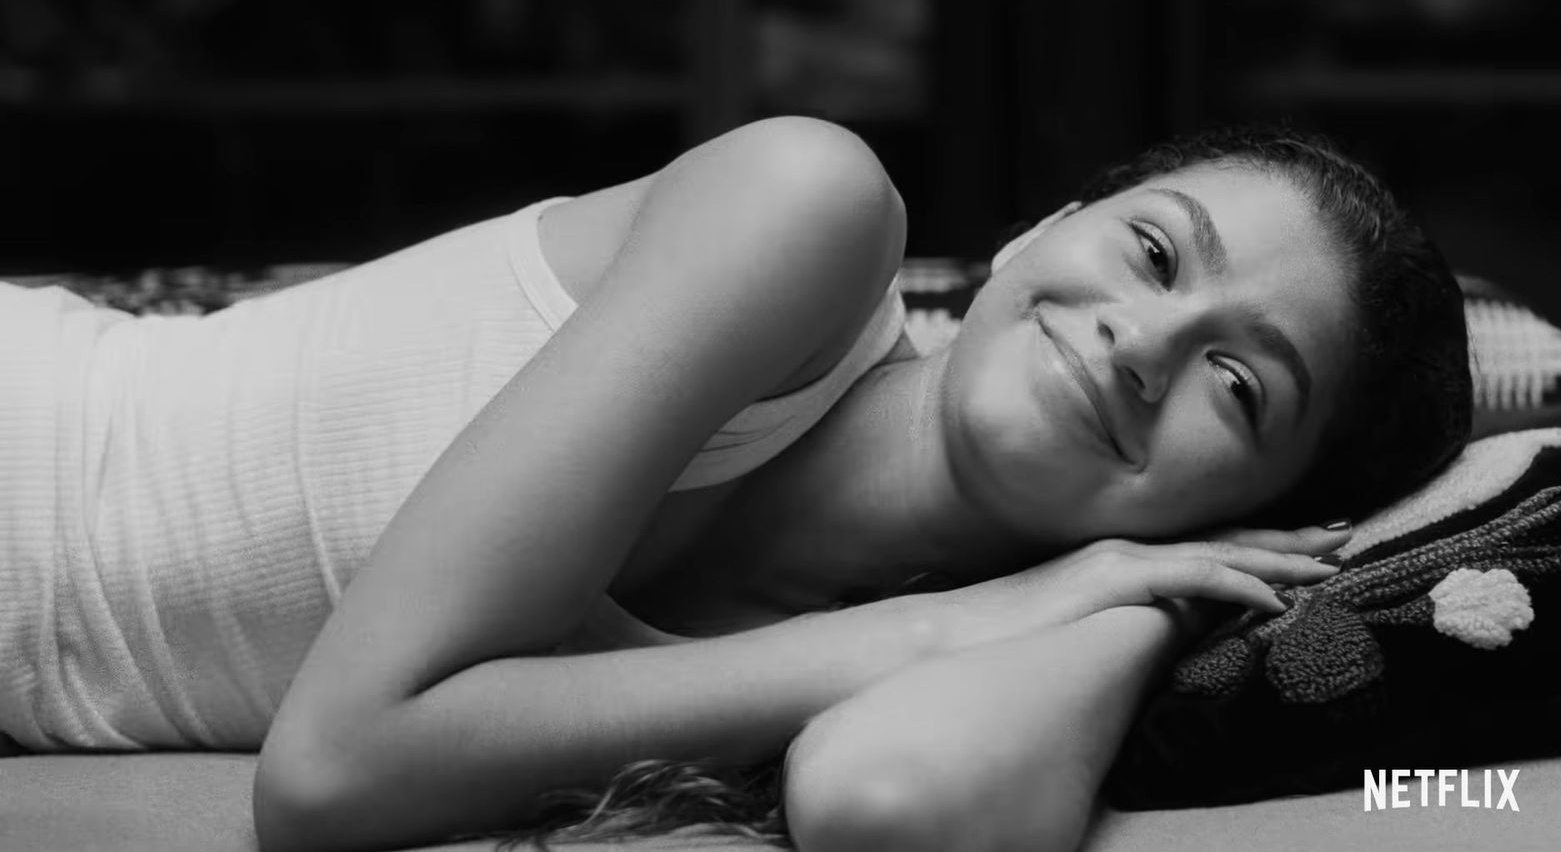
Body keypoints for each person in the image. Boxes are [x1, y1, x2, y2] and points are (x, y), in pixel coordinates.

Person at [0, 116, 1470, 852]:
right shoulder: (809, 214)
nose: (1143, 344)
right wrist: (960, 622)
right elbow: (333, 769)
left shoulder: (962, 639)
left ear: (1237, 512)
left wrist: (1125, 612)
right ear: (1041, 229)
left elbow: (893, 801)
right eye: (1153, 252)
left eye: (1238, 387)